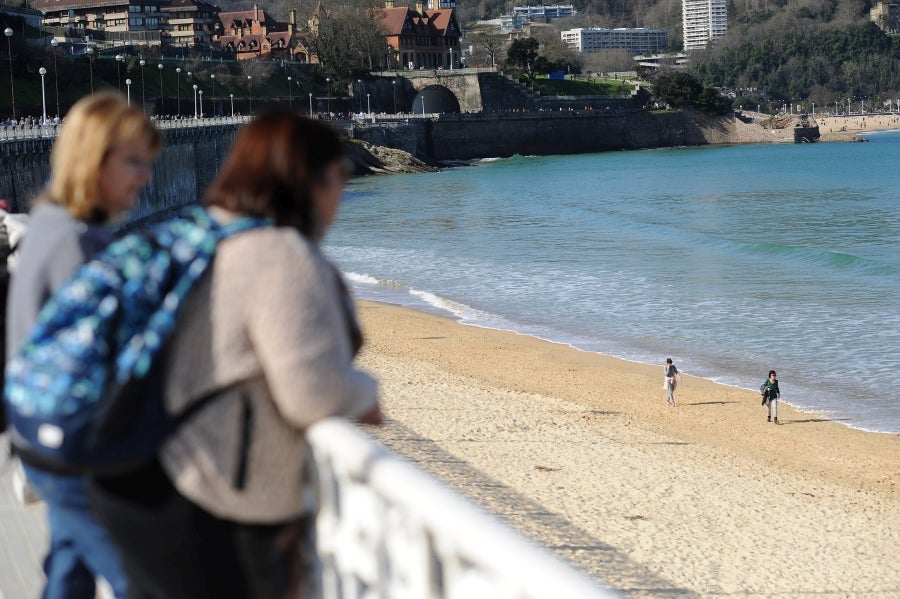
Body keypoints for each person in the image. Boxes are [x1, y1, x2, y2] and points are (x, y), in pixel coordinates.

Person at [89, 112, 382, 599]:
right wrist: (366, 392)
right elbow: (311, 394)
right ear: (308, 179)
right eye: (341, 176)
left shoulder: (205, 233)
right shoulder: (280, 253)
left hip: (142, 478)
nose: (342, 194)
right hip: (204, 498)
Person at [6, 92, 161, 599]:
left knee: (68, 572)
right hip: (70, 446)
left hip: (41, 438)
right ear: (94, 159)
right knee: (141, 577)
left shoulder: (50, 224)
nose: (144, 176)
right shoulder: (75, 243)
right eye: (133, 161)